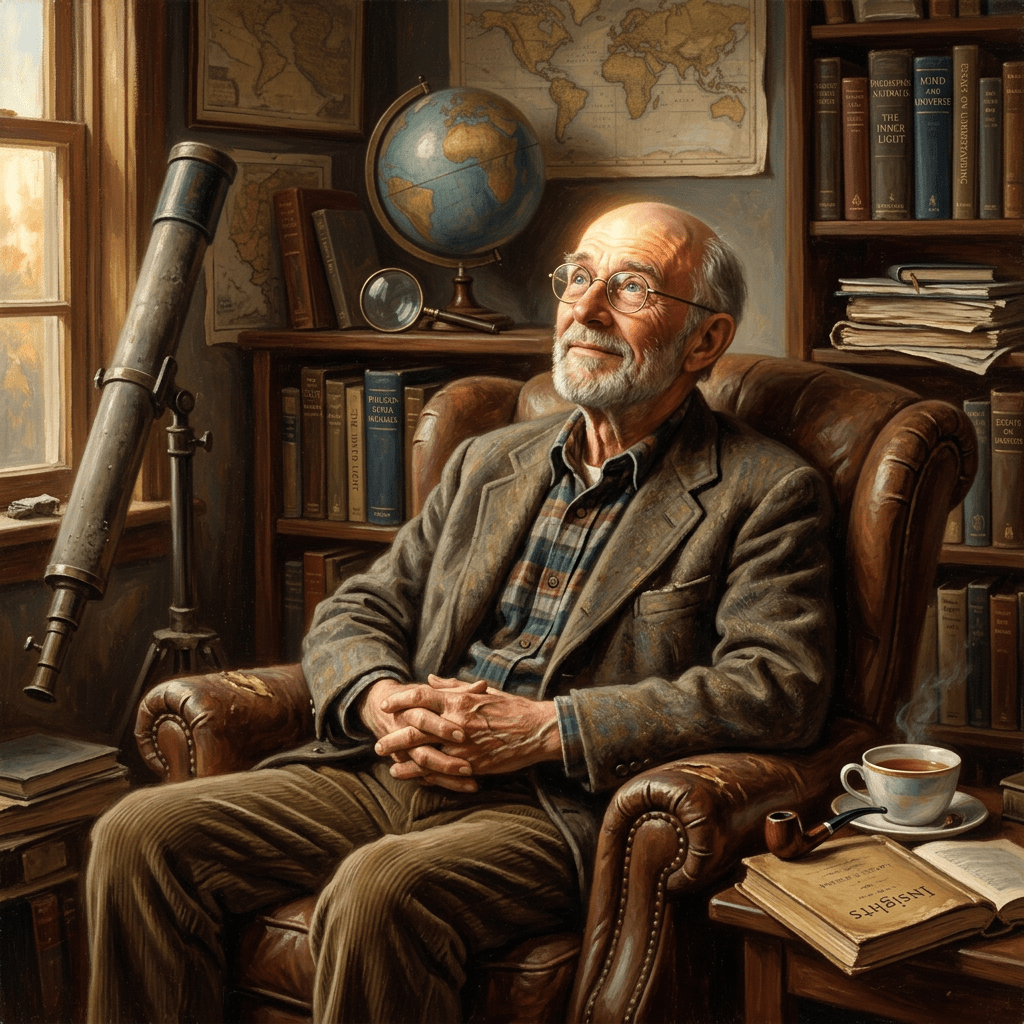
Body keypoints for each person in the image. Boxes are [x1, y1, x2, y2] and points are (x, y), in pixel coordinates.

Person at [85, 202, 835, 1024]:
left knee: (380, 894)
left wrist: (545, 728)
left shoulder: (766, 490)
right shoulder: (490, 461)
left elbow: (774, 686)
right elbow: (362, 607)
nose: (585, 309)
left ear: (705, 340)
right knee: (137, 836)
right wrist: (380, 699)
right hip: (399, 763)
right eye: (579, 277)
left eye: (630, 288)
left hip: (558, 805)